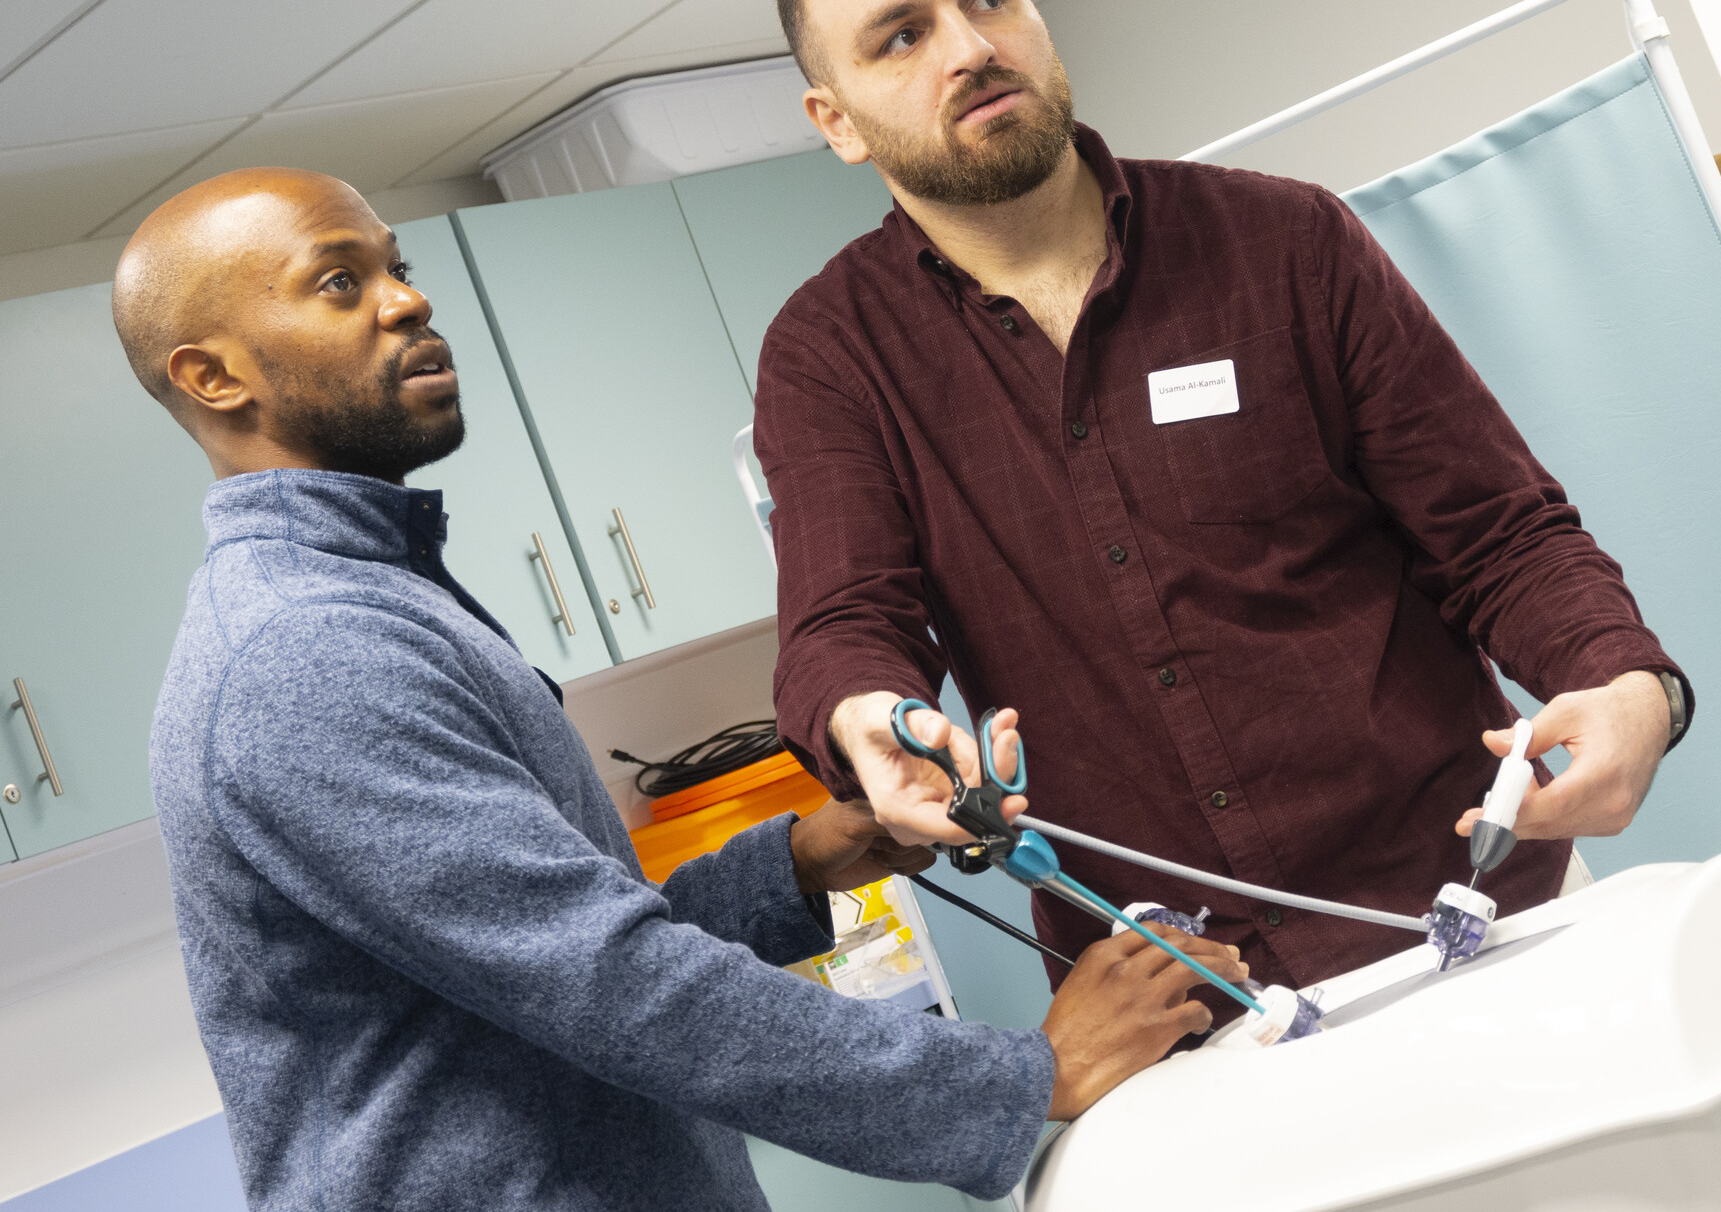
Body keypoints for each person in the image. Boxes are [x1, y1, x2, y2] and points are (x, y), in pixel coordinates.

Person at [114, 166, 1249, 1211]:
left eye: (397, 268)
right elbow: (611, 983)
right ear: (213, 376)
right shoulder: (304, 650)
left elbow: (542, 957)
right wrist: (1025, 1074)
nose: (408, 301)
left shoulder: (375, 598)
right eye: (339, 282)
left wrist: (799, 862)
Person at [754, 0, 1695, 994]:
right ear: (837, 121)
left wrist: (1632, 684)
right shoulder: (830, 357)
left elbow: (1500, 536)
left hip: (1478, 908)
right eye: (902, 37)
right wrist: (870, 714)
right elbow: (843, 622)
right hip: (1175, 994)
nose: (969, 47)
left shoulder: (1284, 242)